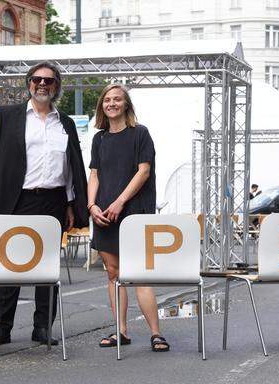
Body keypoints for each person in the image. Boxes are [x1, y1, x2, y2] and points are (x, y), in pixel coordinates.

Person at [0, 62, 89, 346]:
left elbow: (73, 166)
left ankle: (42, 328)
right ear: (29, 84)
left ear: (56, 87)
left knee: (47, 267)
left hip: (53, 201)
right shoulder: (7, 115)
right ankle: (1, 327)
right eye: (37, 79)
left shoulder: (65, 123)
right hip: (16, 198)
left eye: (49, 81)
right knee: (9, 264)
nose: (43, 84)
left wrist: (73, 204)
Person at [87, 84, 168, 352]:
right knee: (113, 273)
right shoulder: (99, 139)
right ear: (102, 106)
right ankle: (121, 331)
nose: (111, 103)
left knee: (139, 275)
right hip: (104, 214)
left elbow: (143, 172)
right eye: (107, 100)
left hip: (133, 212)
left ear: (126, 104)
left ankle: (156, 333)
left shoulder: (140, 134)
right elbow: (95, 175)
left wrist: (120, 202)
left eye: (117, 99)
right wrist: (91, 205)